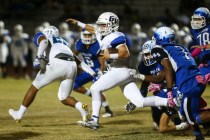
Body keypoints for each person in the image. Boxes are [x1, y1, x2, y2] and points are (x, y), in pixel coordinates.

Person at [66, 12, 169, 130]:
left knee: (95, 88)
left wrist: (110, 56)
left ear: (112, 25)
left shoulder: (115, 36)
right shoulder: (101, 33)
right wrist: (77, 23)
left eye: (104, 25)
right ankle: (171, 102)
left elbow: (125, 53)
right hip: (122, 72)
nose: (100, 28)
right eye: (100, 25)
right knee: (139, 102)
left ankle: (94, 120)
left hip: (120, 70)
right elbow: (92, 29)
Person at [8, 26, 96, 123]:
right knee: (64, 97)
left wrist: (38, 57)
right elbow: (78, 61)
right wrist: (92, 73)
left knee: (34, 87)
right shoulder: (63, 42)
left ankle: (19, 114)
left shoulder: (43, 36)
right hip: (72, 66)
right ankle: (82, 108)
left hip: (57, 63)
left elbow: (44, 42)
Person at [150, 26, 210, 140]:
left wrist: (169, 91)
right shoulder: (180, 47)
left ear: (160, 38)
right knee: (185, 114)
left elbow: (168, 69)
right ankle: (199, 136)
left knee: (191, 118)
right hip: (197, 79)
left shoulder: (158, 48)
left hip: (189, 84)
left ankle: (199, 136)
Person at [127, 40, 189, 132]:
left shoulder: (165, 61)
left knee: (174, 105)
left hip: (175, 88)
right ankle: (166, 121)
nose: (147, 57)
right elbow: (144, 87)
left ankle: (181, 121)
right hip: (162, 91)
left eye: (149, 54)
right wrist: (136, 101)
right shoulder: (143, 66)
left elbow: (159, 78)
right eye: (145, 54)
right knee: (156, 104)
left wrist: (140, 76)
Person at [73, 28, 113, 118]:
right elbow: (74, 55)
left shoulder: (97, 45)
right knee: (74, 86)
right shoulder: (79, 44)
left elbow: (102, 63)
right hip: (88, 70)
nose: (87, 37)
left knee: (97, 89)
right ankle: (92, 94)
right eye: (85, 35)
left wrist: (100, 72)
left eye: (89, 35)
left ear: (93, 36)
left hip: (97, 70)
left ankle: (108, 110)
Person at [189, 7, 210, 77]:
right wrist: (190, 56)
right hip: (206, 62)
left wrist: (204, 46)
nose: (196, 22)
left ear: (206, 19)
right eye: (195, 19)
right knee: (194, 80)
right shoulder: (195, 32)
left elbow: (203, 46)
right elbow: (200, 47)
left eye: (199, 19)